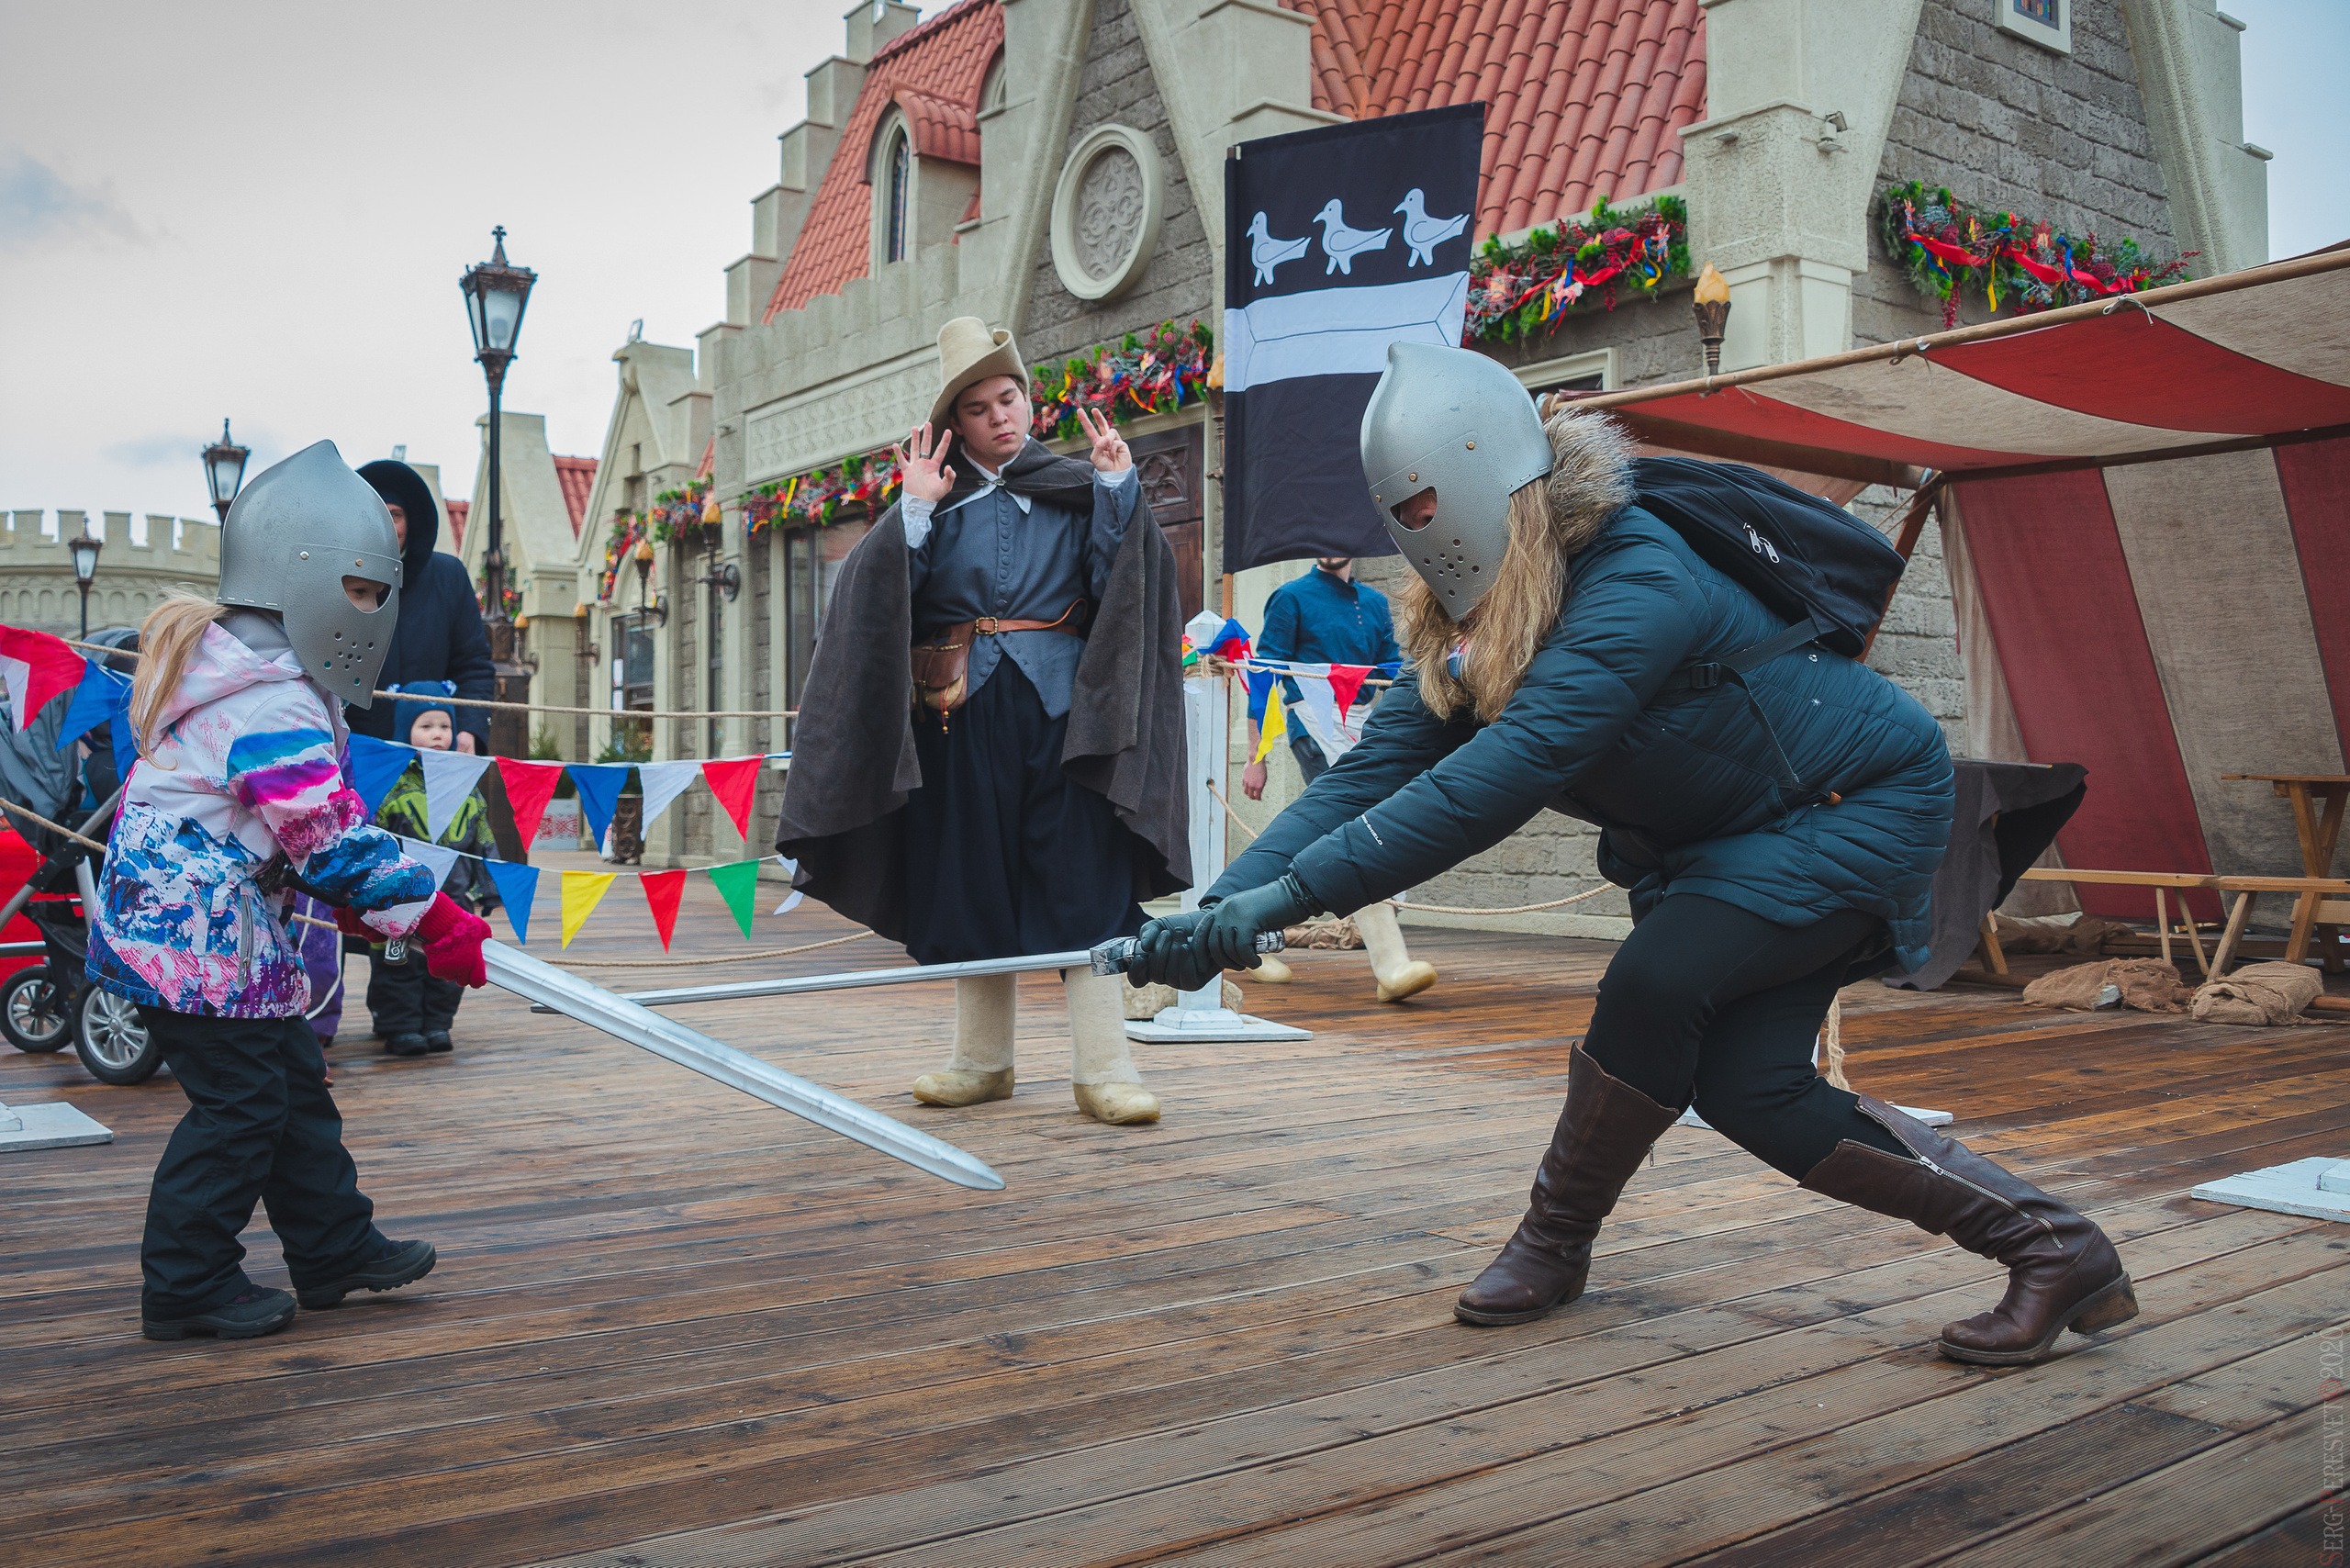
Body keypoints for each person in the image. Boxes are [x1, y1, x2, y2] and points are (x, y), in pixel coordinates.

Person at [1125, 344, 2138, 1368]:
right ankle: (2055, 1248)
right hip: (1725, 844)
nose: (1419, 535)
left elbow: (1510, 769)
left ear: (1490, 479)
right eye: (1405, 516)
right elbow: (1363, 776)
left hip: (1854, 807)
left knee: (1654, 983)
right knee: (1754, 1090)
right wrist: (1217, 907)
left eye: (1432, 505)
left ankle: (1553, 1240)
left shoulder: (1636, 569)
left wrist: (1282, 901)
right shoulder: (1462, 621)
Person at [89, 441, 493, 1343]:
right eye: (357, 591)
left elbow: (320, 820)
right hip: (184, 942)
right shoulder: (263, 695)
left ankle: (333, 1247)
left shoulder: (275, 672)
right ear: (293, 574)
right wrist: (431, 914)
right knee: (242, 1107)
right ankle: (187, 1280)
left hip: (225, 934)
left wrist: (367, 897)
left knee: (293, 1085)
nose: (370, 614)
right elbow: (325, 835)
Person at [777, 317, 1191, 1126]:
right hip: (957, 716)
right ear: (953, 424)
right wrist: (915, 516)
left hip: (1068, 716)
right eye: (978, 407)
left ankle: (1105, 1069)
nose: (1001, 416)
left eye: (1010, 398)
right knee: (972, 874)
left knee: (1085, 878)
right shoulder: (932, 499)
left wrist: (1116, 494)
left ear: (1029, 403)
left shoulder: (1076, 486)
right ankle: (981, 1062)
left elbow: (1122, 588)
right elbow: (881, 600)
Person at [1241, 556, 1435, 1002]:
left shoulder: (1373, 602)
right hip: (1312, 722)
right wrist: (1257, 755)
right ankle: (1391, 964)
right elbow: (1263, 675)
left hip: (1362, 724)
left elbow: (1391, 672)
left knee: (1328, 829)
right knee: (1350, 824)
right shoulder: (1290, 597)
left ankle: (1247, 930)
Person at [364, 681, 502, 1058]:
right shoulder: (391, 785)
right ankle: (400, 1026)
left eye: (444, 725)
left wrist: (489, 888)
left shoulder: (465, 787)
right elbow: (373, 836)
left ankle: (438, 1022)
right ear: (405, 731)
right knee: (398, 963)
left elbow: (483, 835)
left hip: (454, 894)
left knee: (450, 960)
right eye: (426, 726)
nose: (438, 733)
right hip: (398, 898)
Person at [347, 459, 494, 756]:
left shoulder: (449, 576)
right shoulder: (338, 579)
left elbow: (473, 667)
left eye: (395, 515)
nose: (387, 525)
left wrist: (469, 728)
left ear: (410, 522)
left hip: (433, 752)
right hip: (356, 748)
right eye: (377, 515)